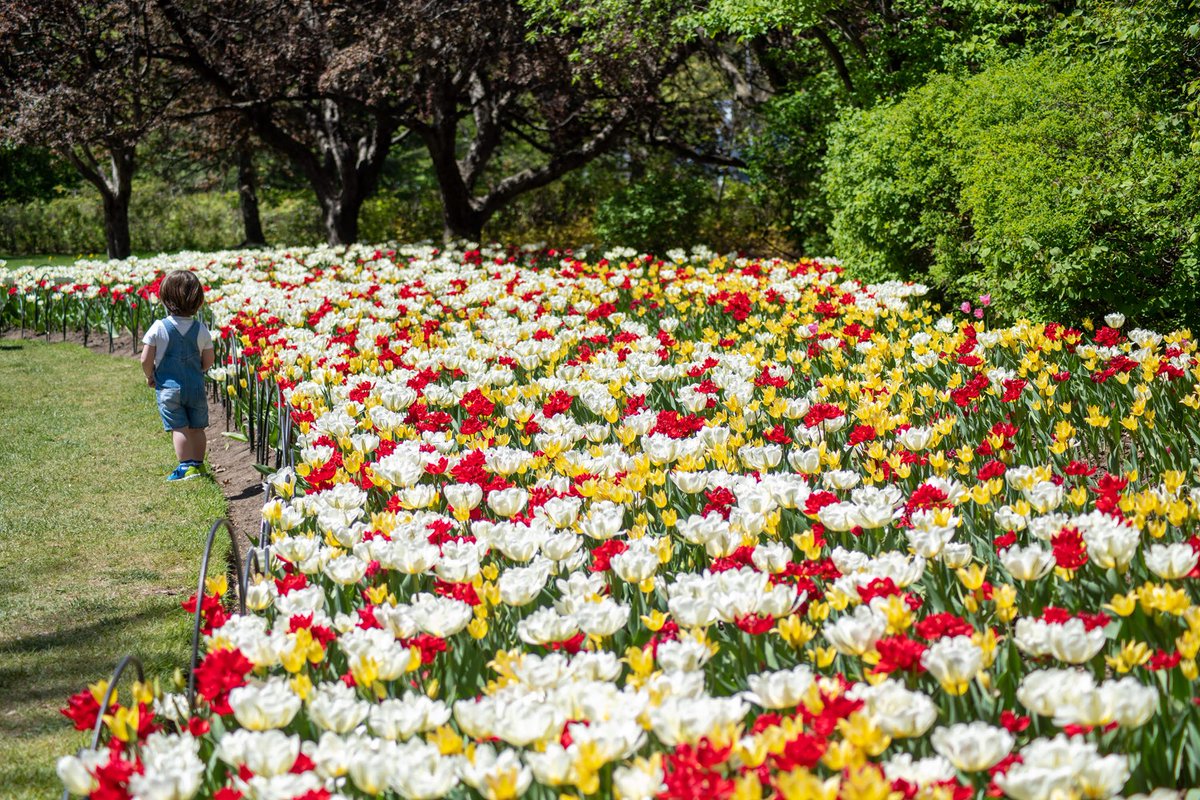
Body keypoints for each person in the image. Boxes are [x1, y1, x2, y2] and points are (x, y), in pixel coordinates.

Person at [139, 270, 216, 481]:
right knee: (197, 428)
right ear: (198, 301)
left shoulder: (158, 328)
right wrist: (199, 369)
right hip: (195, 387)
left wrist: (150, 375)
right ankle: (199, 466)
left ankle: (185, 467)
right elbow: (209, 360)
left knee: (179, 427)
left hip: (168, 388)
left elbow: (145, 359)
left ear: (165, 299)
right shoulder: (201, 329)